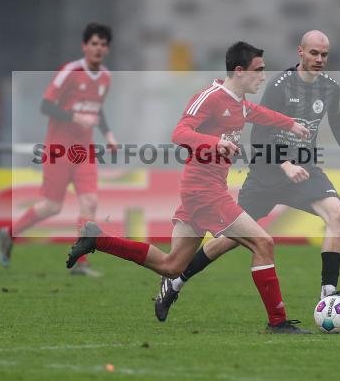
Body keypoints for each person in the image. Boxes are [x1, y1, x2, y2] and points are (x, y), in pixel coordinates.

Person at [67, 41, 315, 333]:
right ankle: (278, 322)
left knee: (172, 266)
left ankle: (99, 240)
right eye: (258, 70)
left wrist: (291, 125)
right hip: (205, 192)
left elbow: (257, 114)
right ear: (239, 71)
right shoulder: (210, 97)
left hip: (201, 193)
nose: (263, 76)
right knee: (264, 243)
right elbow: (179, 132)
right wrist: (216, 143)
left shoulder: (238, 103)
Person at [154, 30, 340, 322]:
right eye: (314, 53)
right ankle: (176, 280)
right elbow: (259, 134)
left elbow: (337, 121)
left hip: (305, 170)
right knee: (228, 240)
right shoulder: (279, 85)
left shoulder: (330, 87)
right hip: (267, 174)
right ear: (300, 52)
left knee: (336, 214)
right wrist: (284, 163)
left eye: (324, 55)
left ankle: (328, 295)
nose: (320, 59)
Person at [0, 23, 118, 276]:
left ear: (107, 49)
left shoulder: (105, 76)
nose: (98, 48)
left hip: (84, 151)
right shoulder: (70, 72)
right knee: (52, 206)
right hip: (59, 149)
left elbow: (97, 109)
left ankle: (80, 262)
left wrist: (108, 134)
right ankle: (9, 234)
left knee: (90, 202)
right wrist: (75, 117)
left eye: (103, 44)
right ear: (84, 46)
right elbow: (45, 106)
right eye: (94, 43)